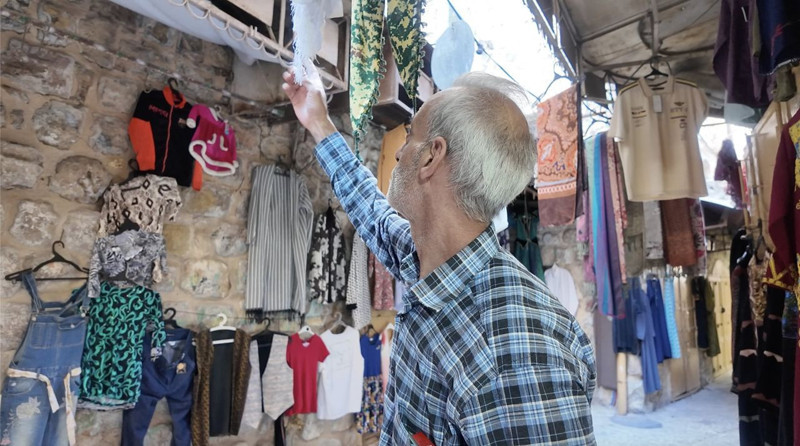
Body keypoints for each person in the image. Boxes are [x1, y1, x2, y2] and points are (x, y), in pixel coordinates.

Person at [281, 65, 596, 445]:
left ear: (432, 157)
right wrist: (318, 121)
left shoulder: (513, 355)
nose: (398, 152)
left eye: (410, 135)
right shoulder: (428, 261)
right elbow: (371, 211)